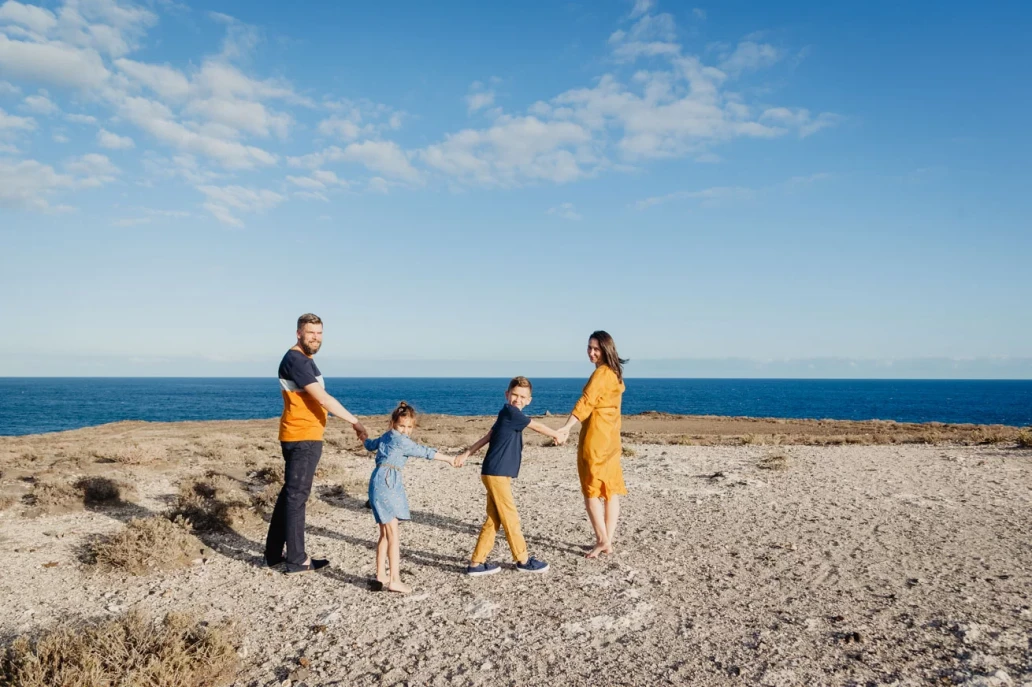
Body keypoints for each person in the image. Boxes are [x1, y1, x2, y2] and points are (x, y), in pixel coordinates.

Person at [265, 313, 369, 575]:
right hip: (303, 437)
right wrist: (355, 422)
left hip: (301, 435)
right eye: (311, 333)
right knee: (296, 498)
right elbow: (323, 399)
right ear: (299, 333)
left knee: (290, 495)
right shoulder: (297, 360)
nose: (316, 337)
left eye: (319, 333)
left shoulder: (304, 359)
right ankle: (297, 559)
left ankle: (273, 554)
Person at [457, 376, 565, 576]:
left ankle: (476, 563)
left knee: (494, 519)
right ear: (507, 395)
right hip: (496, 473)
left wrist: (466, 453)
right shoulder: (510, 412)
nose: (518, 399)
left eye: (522, 396)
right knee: (510, 517)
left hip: (495, 472)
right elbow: (537, 426)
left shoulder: (505, 414)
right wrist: (557, 434)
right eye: (514, 395)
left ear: (529, 399)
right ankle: (523, 559)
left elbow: (488, 436)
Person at [365, 402, 461, 594]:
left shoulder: (387, 436)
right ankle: (394, 580)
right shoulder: (401, 440)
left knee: (384, 533)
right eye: (402, 426)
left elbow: (370, 444)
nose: (405, 431)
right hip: (388, 483)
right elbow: (425, 452)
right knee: (393, 534)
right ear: (393, 423)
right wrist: (450, 459)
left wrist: (361, 434)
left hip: (378, 480)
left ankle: (380, 575)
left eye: (409, 427)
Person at [556, 331, 628, 558]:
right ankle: (607, 540)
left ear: (607, 349)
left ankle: (601, 540)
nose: (591, 352)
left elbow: (585, 403)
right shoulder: (616, 374)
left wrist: (566, 427)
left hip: (597, 436)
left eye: (596, 349)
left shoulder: (601, 374)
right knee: (609, 489)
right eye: (589, 348)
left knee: (591, 488)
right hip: (612, 437)